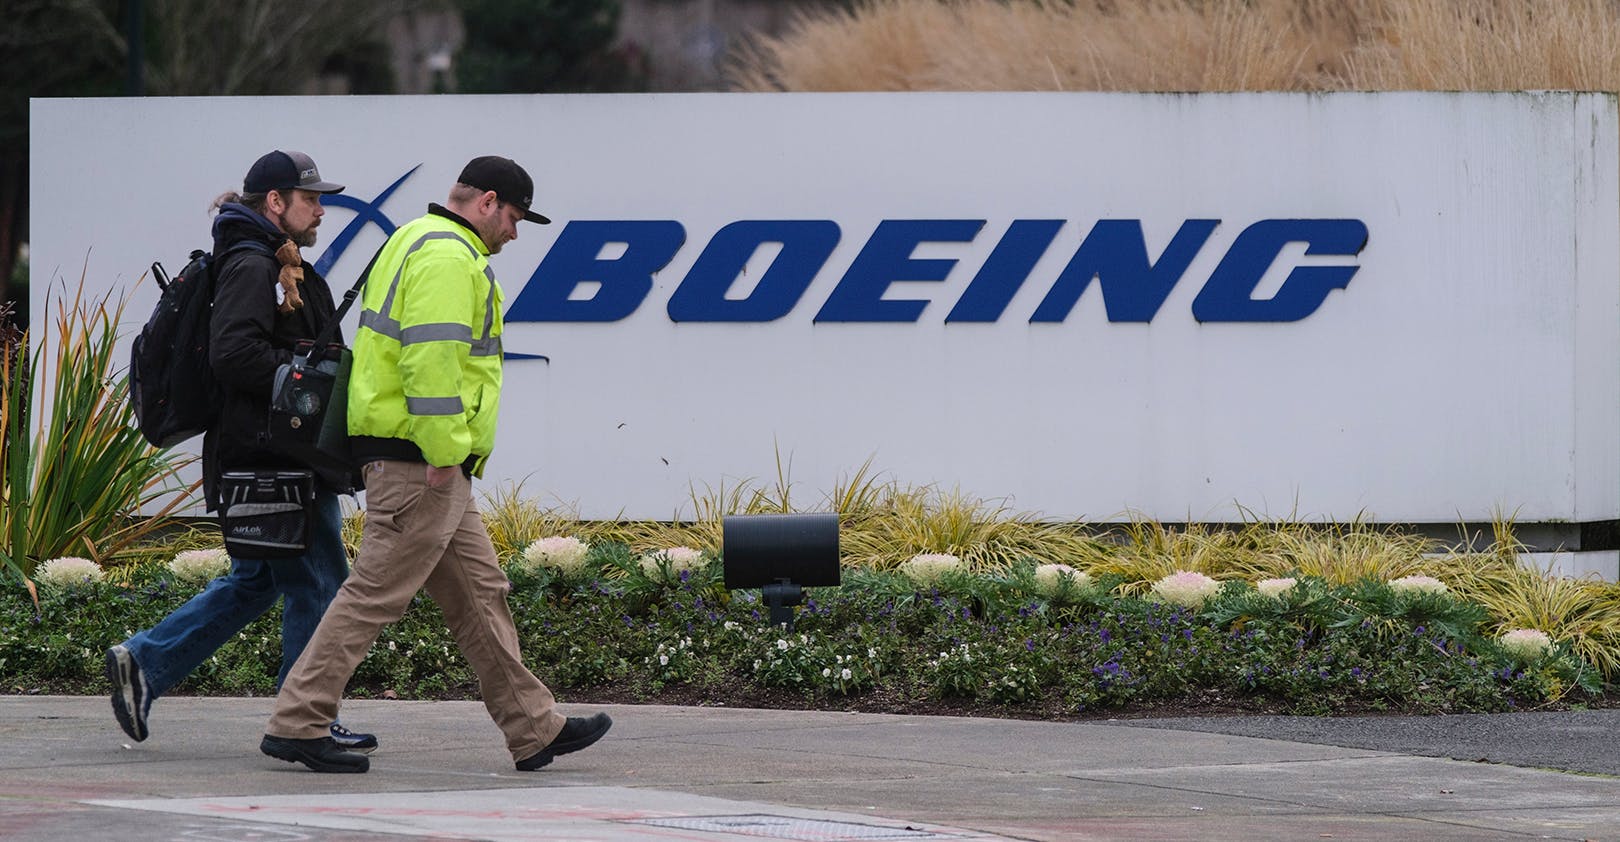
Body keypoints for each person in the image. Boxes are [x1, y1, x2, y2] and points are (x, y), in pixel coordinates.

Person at [260, 156, 612, 774]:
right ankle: (299, 721)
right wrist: (446, 455)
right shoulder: (450, 258)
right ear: (488, 202)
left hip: (418, 457)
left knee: (481, 594)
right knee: (373, 594)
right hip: (421, 461)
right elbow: (430, 363)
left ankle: (533, 727)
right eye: (515, 216)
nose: (515, 231)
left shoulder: (411, 240)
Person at [107, 150, 377, 754]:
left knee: (259, 580)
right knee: (318, 581)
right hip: (273, 458)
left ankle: (146, 663)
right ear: (274, 203)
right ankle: (302, 719)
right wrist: (305, 380)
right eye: (310, 199)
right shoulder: (254, 266)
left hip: (265, 453)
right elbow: (233, 354)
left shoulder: (268, 260)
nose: (320, 210)